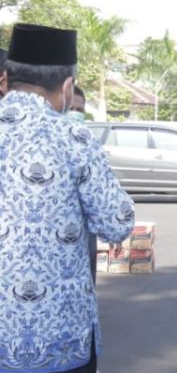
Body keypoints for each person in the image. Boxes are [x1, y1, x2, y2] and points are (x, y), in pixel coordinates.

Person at [0, 24, 133, 373]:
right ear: (66, 83)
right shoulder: (74, 135)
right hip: (61, 336)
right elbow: (118, 221)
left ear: (6, 78)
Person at [70, 86, 100, 284]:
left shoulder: (88, 145)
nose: (74, 115)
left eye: (79, 111)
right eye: (70, 108)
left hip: (83, 231)